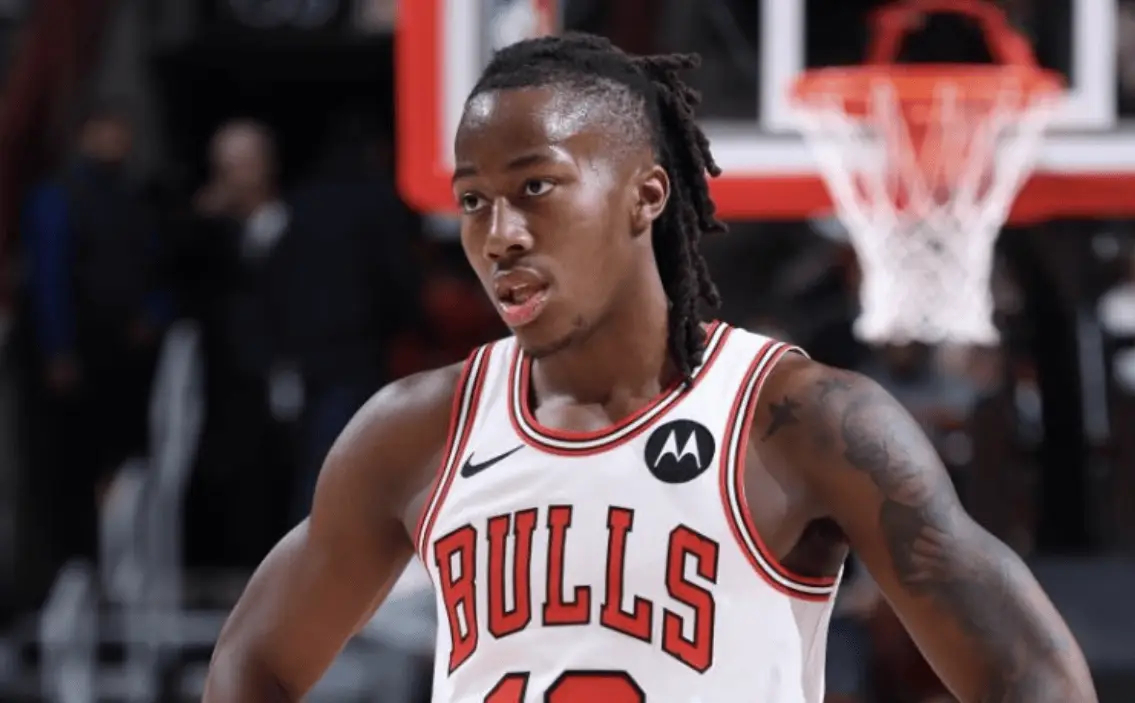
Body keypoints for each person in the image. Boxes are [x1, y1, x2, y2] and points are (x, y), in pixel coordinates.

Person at [203, 34, 1095, 703]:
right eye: (472, 200)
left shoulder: (800, 421)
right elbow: (254, 660)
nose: (498, 234)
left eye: (535, 187)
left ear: (647, 193)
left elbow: (1033, 675)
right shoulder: (414, 430)